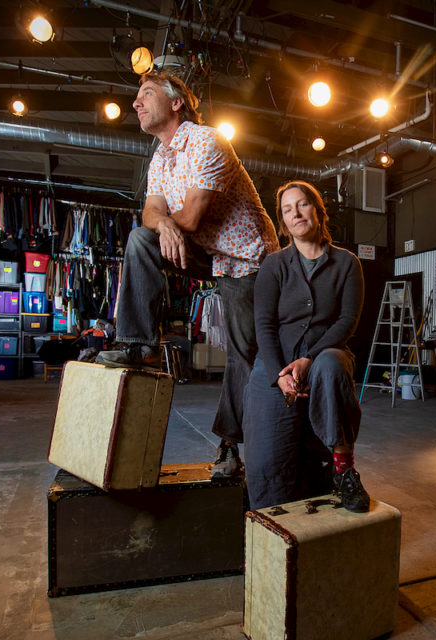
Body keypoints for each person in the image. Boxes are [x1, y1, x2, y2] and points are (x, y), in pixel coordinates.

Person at [96, 71, 279, 479]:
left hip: (247, 260)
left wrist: (165, 222)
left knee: (241, 353)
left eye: (145, 94)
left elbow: (192, 218)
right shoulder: (160, 158)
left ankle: (230, 447)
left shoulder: (207, 140)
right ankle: (136, 344)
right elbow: (149, 214)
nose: (136, 103)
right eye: (136, 97)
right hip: (206, 252)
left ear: (177, 102)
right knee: (141, 239)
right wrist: (161, 225)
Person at [242, 180, 370, 512]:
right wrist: (278, 375)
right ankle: (273, 523)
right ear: (283, 223)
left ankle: (344, 472)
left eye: (302, 204)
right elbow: (265, 325)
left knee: (329, 366)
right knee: (266, 458)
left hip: (327, 352)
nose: (296, 213)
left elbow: (346, 322)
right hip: (277, 362)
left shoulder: (347, 264)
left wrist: (309, 359)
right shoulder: (274, 265)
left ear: (317, 210)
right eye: (287, 210)